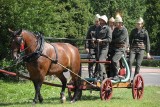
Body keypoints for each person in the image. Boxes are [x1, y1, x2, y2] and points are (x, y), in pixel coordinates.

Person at [110, 14, 129, 80]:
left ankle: (117, 74)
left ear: (120, 23)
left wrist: (113, 41)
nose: (115, 24)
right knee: (108, 59)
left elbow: (120, 39)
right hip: (114, 48)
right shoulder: (115, 29)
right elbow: (112, 38)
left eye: (116, 22)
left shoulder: (124, 30)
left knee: (114, 60)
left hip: (121, 49)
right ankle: (111, 74)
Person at [94, 15, 112, 80]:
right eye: (100, 20)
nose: (100, 21)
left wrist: (102, 40)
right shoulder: (98, 28)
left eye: (101, 20)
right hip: (98, 47)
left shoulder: (108, 28)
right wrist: (94, 39)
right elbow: (95, 36)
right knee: (99, 62)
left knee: (101, 61)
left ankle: (101, 77)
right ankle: (105, 76)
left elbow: (109, 39)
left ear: (104, 21)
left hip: (105, 47)